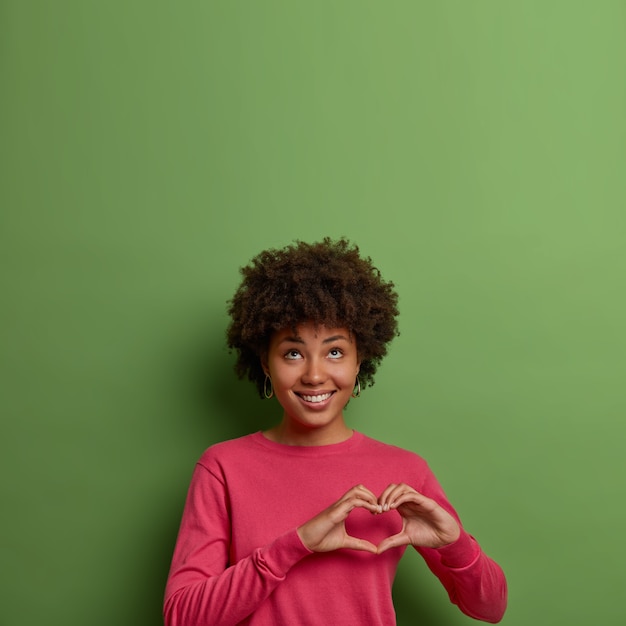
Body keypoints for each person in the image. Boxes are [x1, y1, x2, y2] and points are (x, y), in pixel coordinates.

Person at [164, 238, 507, 625]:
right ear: (265, 362)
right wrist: (297, 545)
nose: (313, 375)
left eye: (335, 352)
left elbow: (490, 608)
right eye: (293, 353)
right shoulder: (222, 467)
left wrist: (456, 544)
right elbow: (183, 617)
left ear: (360, 359)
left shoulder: (405, 471)